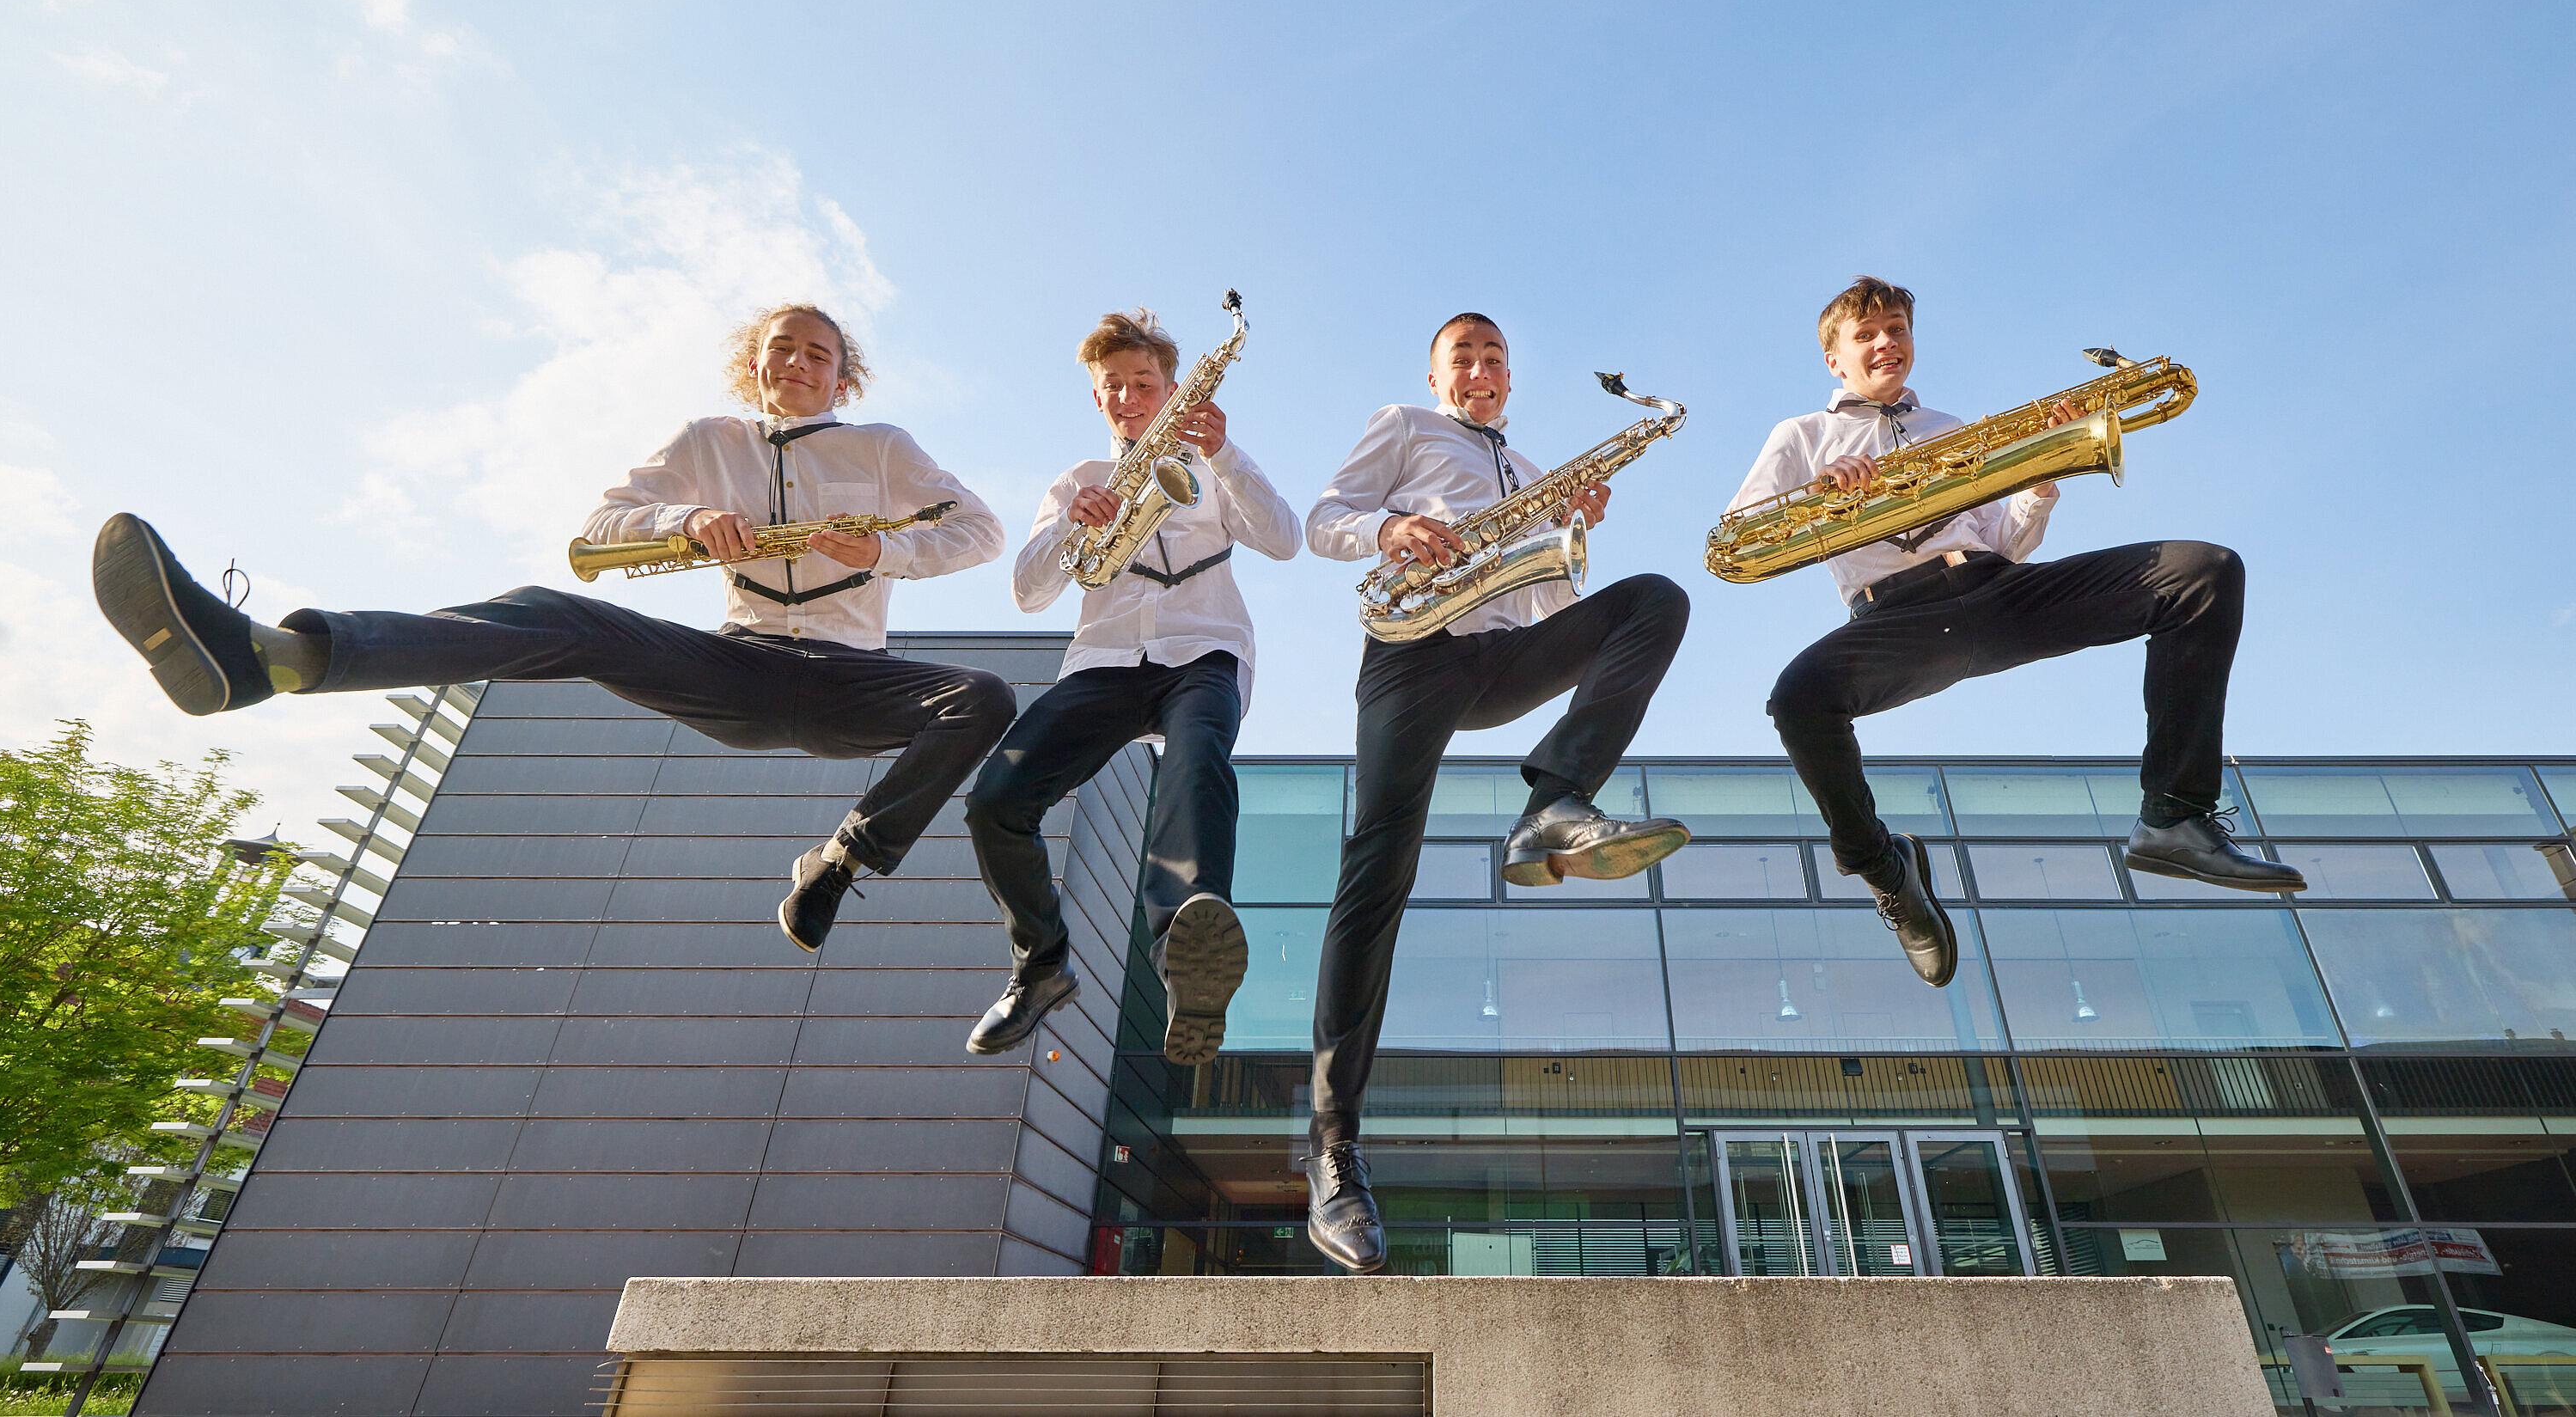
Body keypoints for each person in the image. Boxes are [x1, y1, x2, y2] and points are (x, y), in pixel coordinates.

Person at [92, 302, 1015, 954]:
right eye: (783, 349)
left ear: (842, 374)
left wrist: (882, 556)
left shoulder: (884, 448)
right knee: (559, 614)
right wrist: (685, 525)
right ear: (755, 365)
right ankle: (282, 659)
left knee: (983, 695)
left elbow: (981, 531)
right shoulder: (708, 441)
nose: (799, 364)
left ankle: (841, 859)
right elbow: (600, 531)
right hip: (741, 666)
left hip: (852, 673)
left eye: (818, 354)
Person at [1731, 275, 2304, 993]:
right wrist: (1818, 496)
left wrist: (2041, 471)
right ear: (1834, 359)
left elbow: (2006, 537)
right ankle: (1888, 872)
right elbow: (1743, 535)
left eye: (1899, 328)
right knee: (1797, 699)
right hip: (1899, 616)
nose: (1887, 343)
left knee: (2204, 572)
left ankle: (2175, 819)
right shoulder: (1802, 436)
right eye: (1868, 333)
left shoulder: (1952, 427)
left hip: (1997, 590)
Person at [1296, 311, 1692, 1272]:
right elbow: (1323, 520)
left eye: (1495, 357)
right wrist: (1392, 526)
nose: (1481, 368)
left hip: (1501, 651)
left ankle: (1553, 804)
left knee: (1654, 599)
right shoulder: (1403, 424)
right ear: (1439, 376)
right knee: (1377, 871)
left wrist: (1568, 532)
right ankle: (1331, 1147)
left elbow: (1552, 604)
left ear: (1509, 378)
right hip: (1411, 649)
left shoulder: (1531, 465)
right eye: (1463, 356)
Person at [961, 309, 1300, 1065]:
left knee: (1197, 754)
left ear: (1174, 389)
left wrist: (1227, 453)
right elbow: (1027, 593)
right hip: (1105, 661)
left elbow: (1284, 538)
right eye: (1111, 386)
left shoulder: (1213, 466)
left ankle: (1186, 953)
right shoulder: (1078, 479)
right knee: (994, 804)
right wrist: (1069, 528)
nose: (1127, 396)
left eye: (1143, 382)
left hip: (1202, 651)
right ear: (1095, 398)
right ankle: (1041, 962)